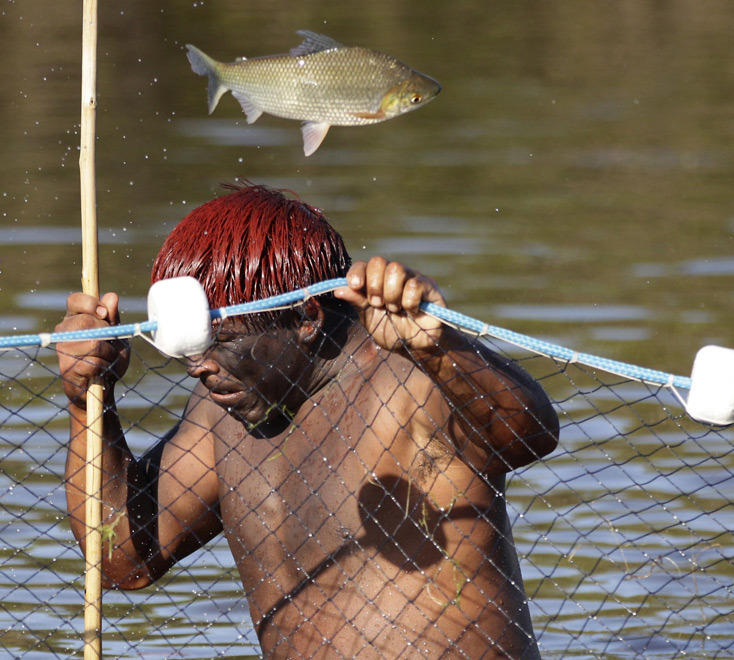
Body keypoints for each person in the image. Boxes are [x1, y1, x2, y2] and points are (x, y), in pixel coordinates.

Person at [56, 183, 560, 659]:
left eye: (222, 340)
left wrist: (440, 348)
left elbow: (529, 437)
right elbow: (124, 559)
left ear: (306, 318)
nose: (201, 366)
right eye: (191, 348)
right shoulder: (221, 416)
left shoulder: (412, 378)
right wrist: (87, 400)